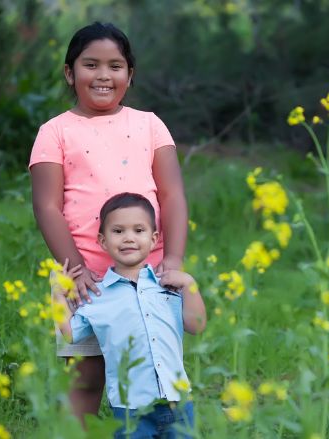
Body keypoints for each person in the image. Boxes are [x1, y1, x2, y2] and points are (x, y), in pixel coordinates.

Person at [29, 21, 188, 422]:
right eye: (90, 64)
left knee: (150, 376)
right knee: (85, 378)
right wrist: (76, 270)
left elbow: (172, 196)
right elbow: (47, 206)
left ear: (130, 75)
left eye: (115, 66)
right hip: (85, 280)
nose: (103, 75)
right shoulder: (54, 132)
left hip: (146, 277)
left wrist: (173, 260)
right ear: (70, 72)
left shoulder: (149, 124)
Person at [52, 192, 206, 438]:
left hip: (178, 400)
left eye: (138, 230)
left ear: (154, 238)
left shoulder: (168, 286)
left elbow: (196, 325)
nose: (129, 239)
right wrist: (59, 297)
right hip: (130, 409)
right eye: (118, 231)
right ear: (102, 241)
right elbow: (71, 334)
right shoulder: (97, 296)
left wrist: (189, 283)